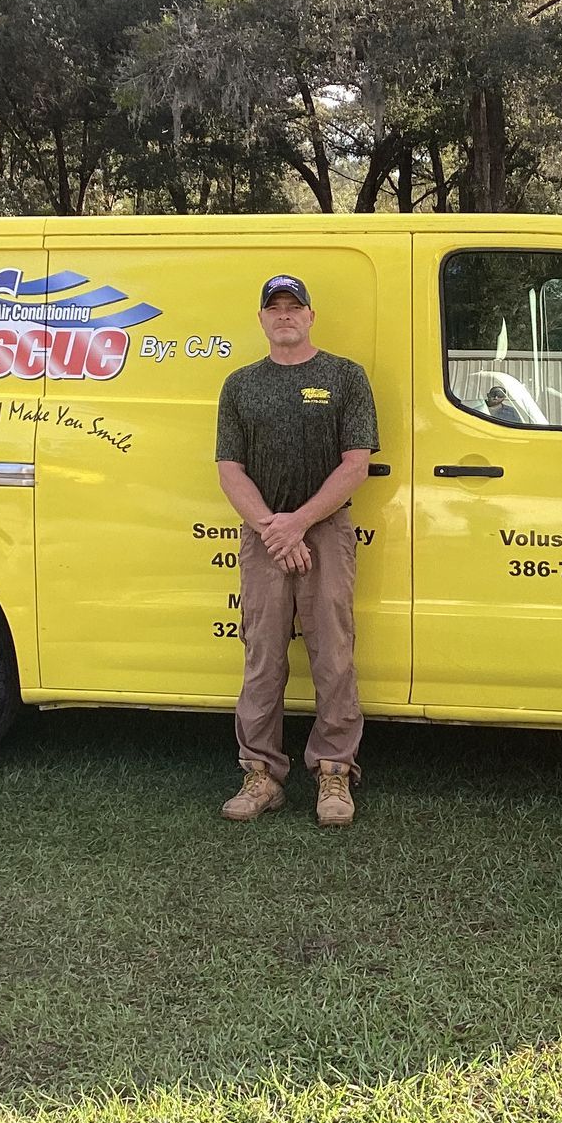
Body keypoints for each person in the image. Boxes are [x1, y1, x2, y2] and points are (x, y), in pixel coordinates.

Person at [213, 273, 379, 827]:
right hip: (263, 533)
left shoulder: (345, 377)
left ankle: (334, 771)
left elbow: (356, 464)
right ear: (262, 319)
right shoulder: (240, 385)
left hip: (325, 531)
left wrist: (299, 523)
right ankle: (260, 774)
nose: (284, 314)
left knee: (333, 654)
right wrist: (273, 529)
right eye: (274, 307)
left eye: (294, 306)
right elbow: (229, 469)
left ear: (310, 316)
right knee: (262, 655)